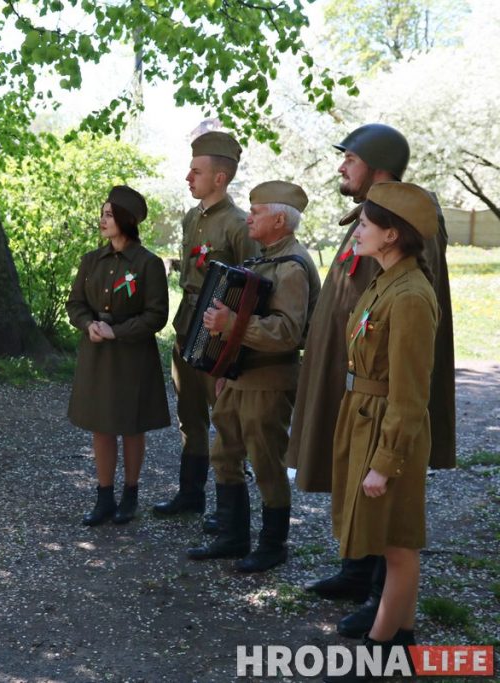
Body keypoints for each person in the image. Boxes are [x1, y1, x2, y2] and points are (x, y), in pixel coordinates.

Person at [288, 124, 455, 638]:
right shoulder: (368, 217)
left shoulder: (404, 220)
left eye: (350, 158)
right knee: (354, 488)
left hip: (384, 386)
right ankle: (359, 571)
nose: (342, 166)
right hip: (355, 379)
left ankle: (386, 602)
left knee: (392, 516)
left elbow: (406, 324)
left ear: (378, 166)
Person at [325, 182, 439, 681]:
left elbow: (411, 395)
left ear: (391, 234)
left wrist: (385, 461)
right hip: (366, 416)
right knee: (393, 538)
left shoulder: (412, 295)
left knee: (397, 545)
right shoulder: (385, 279)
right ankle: (404, 634)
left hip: (390, 428)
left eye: (366, 225)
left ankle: (377, 654)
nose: (358, 232)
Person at [186, 182, 320, 571]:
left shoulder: (292, 266)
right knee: (224, 453)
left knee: (266, 462)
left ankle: (272, 544)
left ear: (280, 220)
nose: (250, 218)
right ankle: (232, 536)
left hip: (270, 380)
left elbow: (287, 333)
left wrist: (232, 326)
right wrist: (226, 363)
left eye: (257, 211)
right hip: (241, 376)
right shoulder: (263, 259)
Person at [153, 131, 260, 520]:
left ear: (220, 178)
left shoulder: (239, 224)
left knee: (226, 416)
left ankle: (230, 508)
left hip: (219, 330)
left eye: (196, 171)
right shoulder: (190, 219)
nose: (187, 177)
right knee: (189, 412)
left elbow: (253, 287)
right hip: (187, 324)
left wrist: (236, 346)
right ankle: (190, 494)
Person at [67, 186, 171, 525]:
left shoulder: (148, 264)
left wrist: (118, 332)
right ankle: (104, 496)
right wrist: (88, 325)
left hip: (132, 357)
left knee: (131, 426)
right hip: (97, 354)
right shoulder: (90, 261)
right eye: (103, 214)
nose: (103, 220)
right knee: (101, 426)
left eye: (109, 214)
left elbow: (157, 315)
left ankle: (130, 494)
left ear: (126, 219)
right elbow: (76, 304)